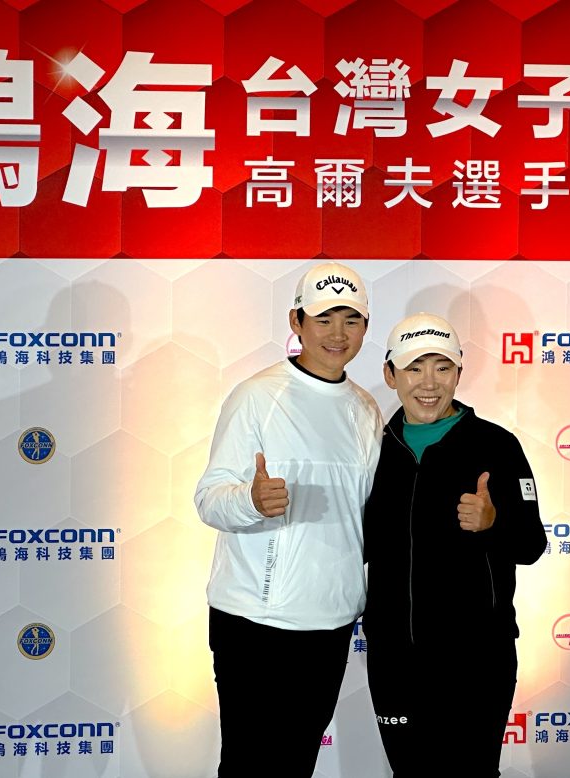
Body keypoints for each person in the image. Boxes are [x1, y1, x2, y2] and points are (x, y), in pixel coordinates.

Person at [194, 262, 383, 778]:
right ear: (296, 322)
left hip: (331, 621)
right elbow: (209, 498)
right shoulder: (256, 396)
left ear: (365, 327)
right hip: (254, 623)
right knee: (249, 767)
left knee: (297, 765)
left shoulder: (365, 409)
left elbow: (368, 515)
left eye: (351, 319)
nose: (338, 333)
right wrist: (251, 500)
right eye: (324, 319)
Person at [363, 312, 548, 778]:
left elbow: (531, 544)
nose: (429, 383)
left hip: (477, 661)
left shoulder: (497, 445)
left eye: (442, 367)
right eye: (414, 368)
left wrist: (494, 523)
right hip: (394, 660)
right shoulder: (371, 449)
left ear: (459, 373)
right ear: (390, 374)